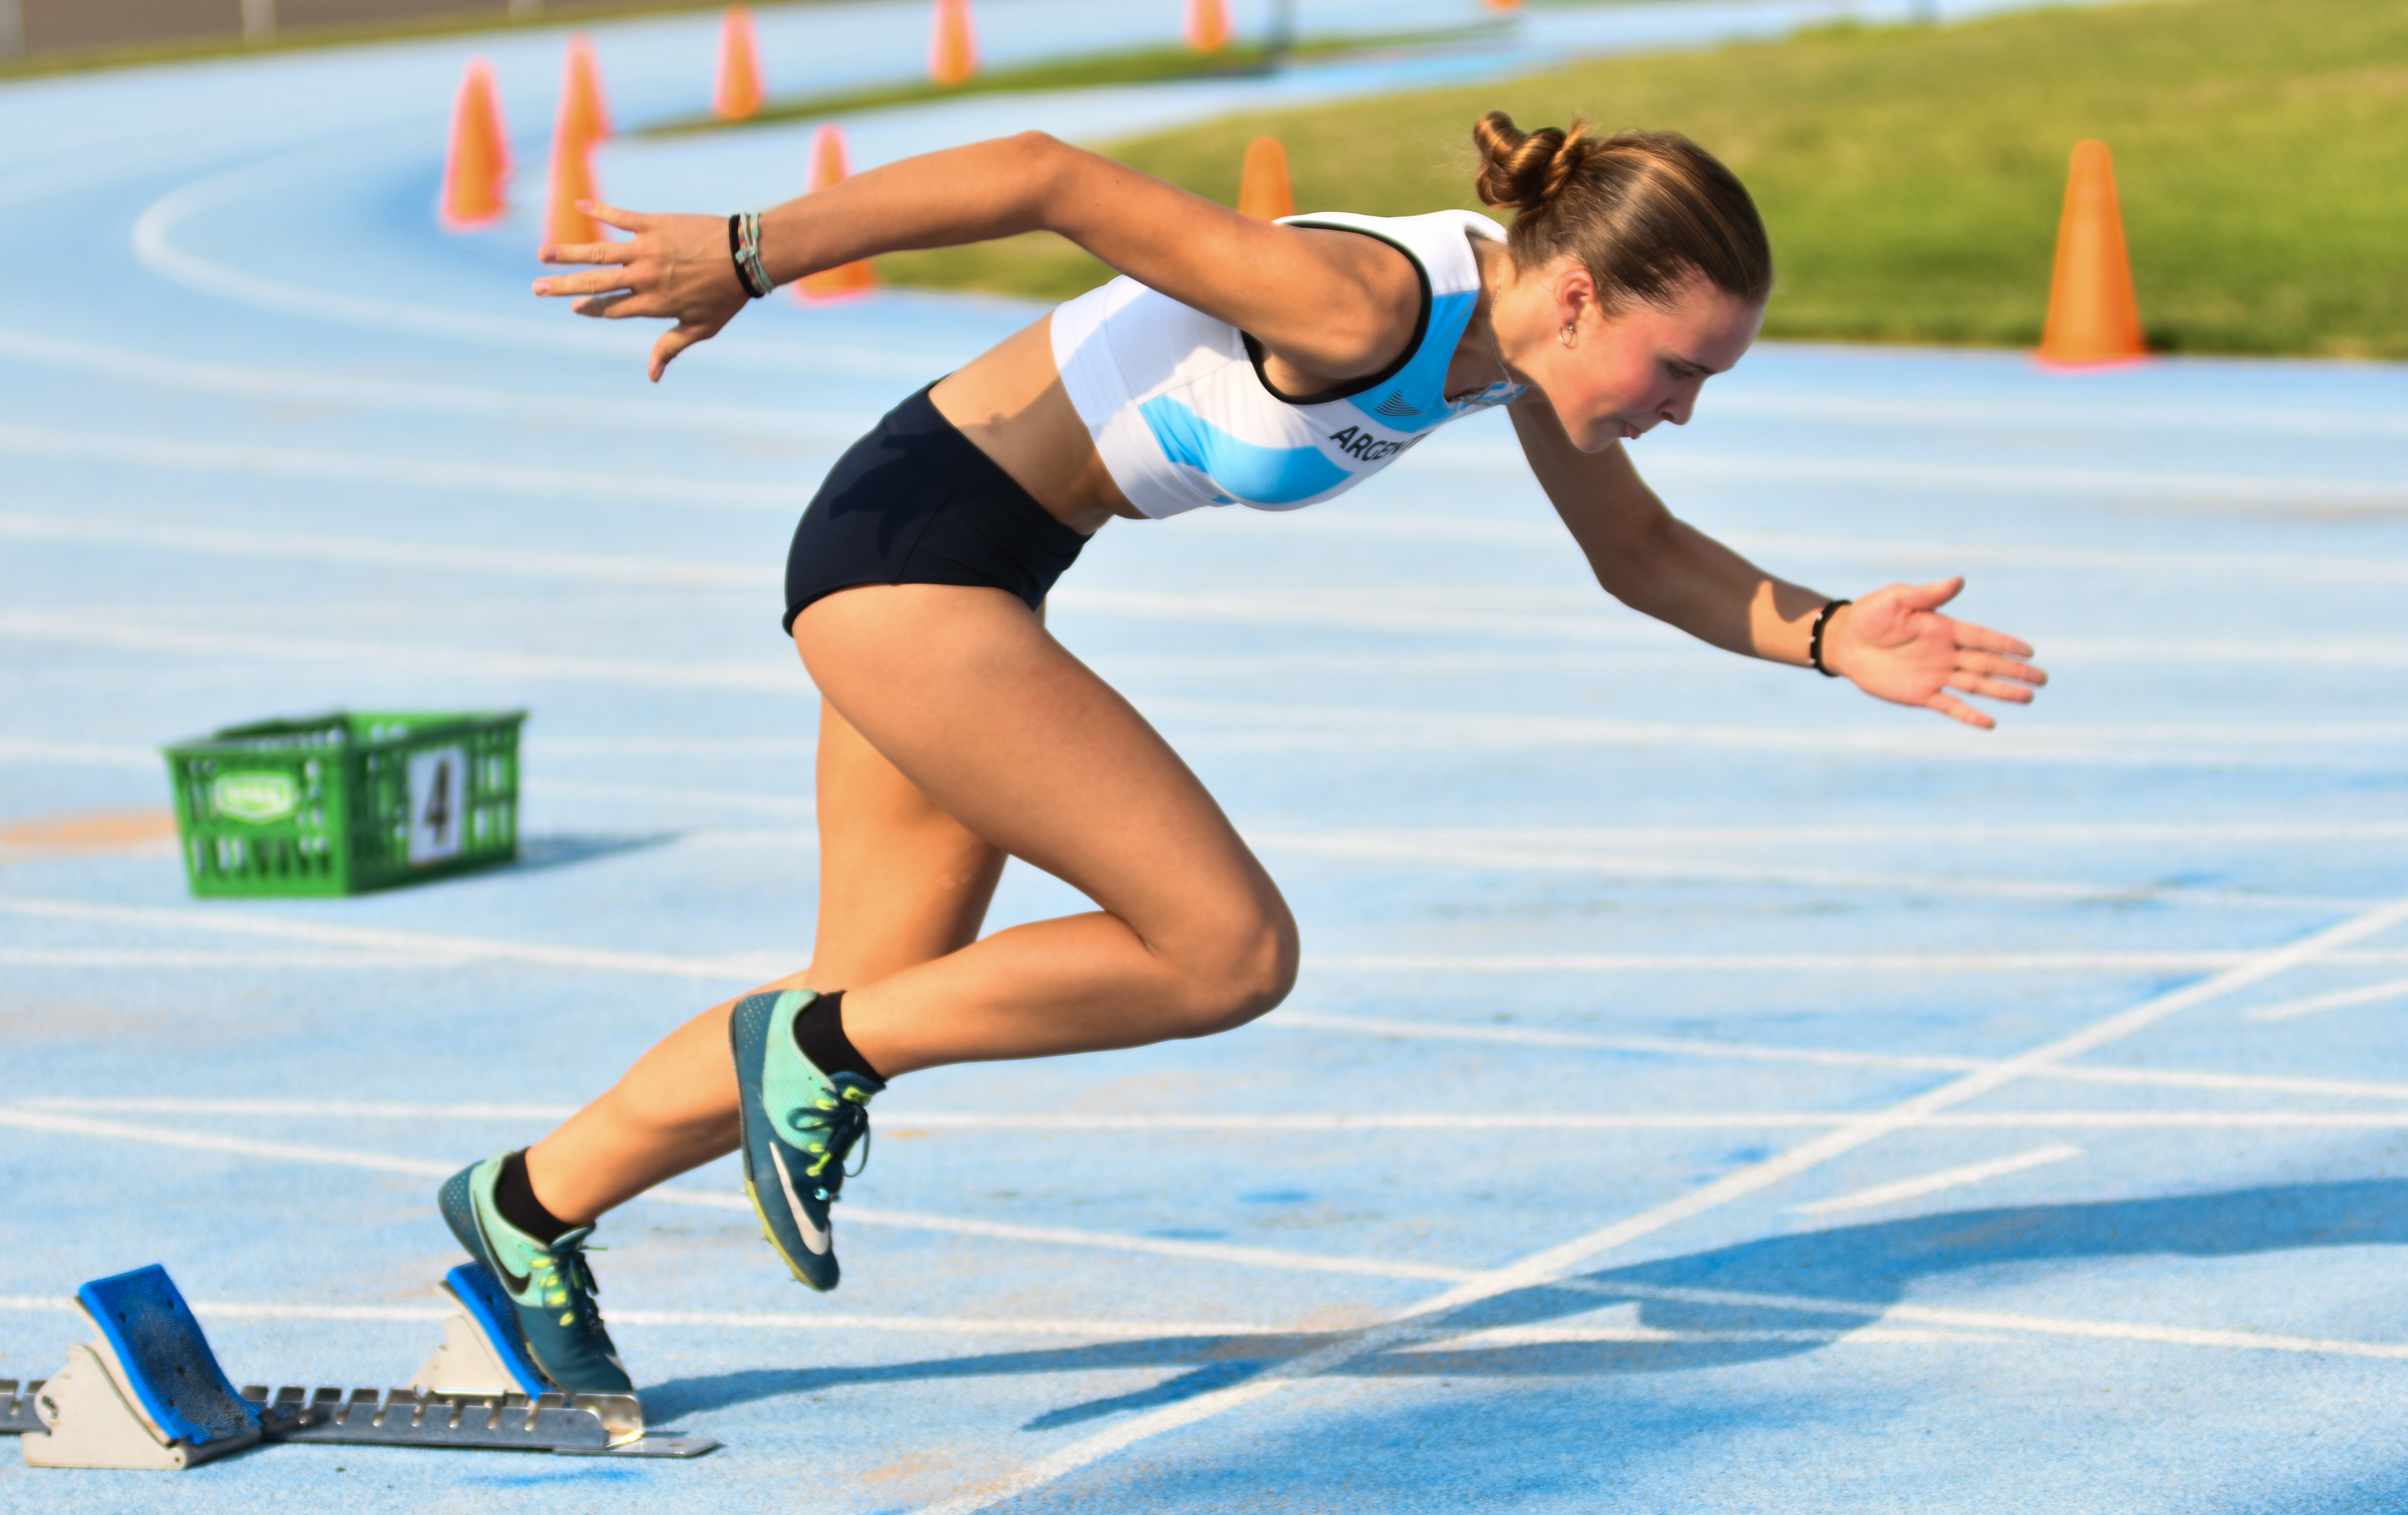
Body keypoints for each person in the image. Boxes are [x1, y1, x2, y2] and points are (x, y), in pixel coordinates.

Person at [437, 114, 2046, 1392]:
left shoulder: (1521, 367)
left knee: (871, 989)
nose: (1686, 406)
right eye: (1680, 365)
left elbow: (1642, 559)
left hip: (969, 563)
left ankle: (520, 1216)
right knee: (1223, 948)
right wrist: (745, 253)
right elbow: (1045, 176)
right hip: (908, 548)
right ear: (1577, 295)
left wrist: (1838, 635)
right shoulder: (1369, 306)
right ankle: (821, 1050)